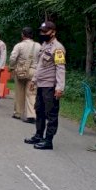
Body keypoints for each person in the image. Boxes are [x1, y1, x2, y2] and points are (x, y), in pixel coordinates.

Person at [24, 21, 66, 150]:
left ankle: (48, 140)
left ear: (53, 32)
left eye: (45, 32)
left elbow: (60, 68)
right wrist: (34, 80)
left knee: (51, 113)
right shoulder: (44, 45)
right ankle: (38, 135)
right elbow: (40, 66)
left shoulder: (58, 48)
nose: (42, 34)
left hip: (50, 86)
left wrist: (60, 88)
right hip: (41, 84)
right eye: (41, 31)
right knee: (39, 110)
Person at [9, 27, 40, 123]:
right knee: (31, 93)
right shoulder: (38, 46)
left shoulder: (19, 45)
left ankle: (18, 113)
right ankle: (31, 115)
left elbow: (13, 58)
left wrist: (12, 67)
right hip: (34, 71)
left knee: (19, 92)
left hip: (20, 71)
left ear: (23, 35)